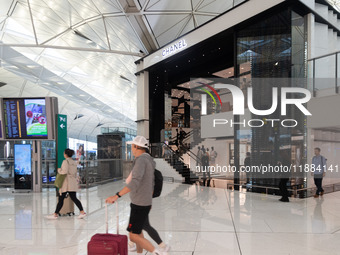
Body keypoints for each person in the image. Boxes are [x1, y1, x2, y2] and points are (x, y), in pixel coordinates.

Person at [105, 136, 167, 255]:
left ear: (137, 147)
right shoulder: (148, 159)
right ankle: (140, 253)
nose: (131, 149)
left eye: (132, 146)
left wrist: (116, 196)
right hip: (143, 201)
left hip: (139, 203)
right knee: (138, 232)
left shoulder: (141, 160)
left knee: (133, 236)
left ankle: (157, 252)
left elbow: (135, 181)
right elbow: (150, 183)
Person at [125, 172, 170, 253]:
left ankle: (162, 246)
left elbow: (128, 182)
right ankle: (131, 244)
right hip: (141, 202)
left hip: (139, 203)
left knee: (144, 225)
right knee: (140, 225)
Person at [46, 149, 86, 219]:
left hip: (66, 183)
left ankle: (55, 214)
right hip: (72, 182)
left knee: (61, 198)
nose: (63, 154)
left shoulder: (65, 161)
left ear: (66, 154)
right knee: (74, 198)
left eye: (64, 153)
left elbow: (64, 172)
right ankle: (82, 212)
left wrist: (59, 170)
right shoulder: (73, 162)